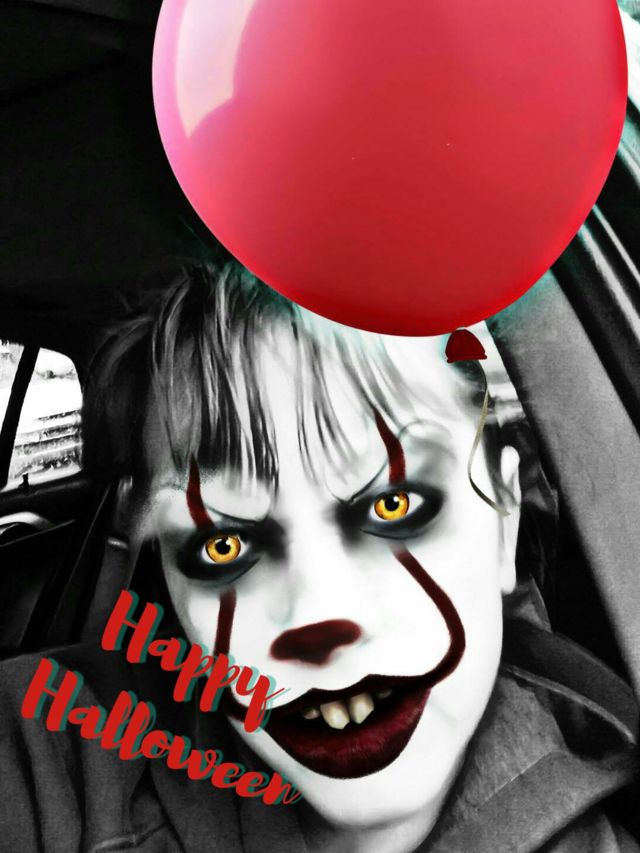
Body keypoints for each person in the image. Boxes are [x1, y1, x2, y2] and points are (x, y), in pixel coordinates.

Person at [1, 260, 638, 853]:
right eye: (224, 545)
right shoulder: (55, 752)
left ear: (504, 520)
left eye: (394, 505)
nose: (316, 616)